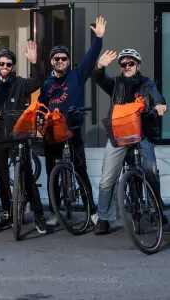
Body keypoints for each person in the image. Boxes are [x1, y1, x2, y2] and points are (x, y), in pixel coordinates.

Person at [39, 16, 106, 227]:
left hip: (73, 129)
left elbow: (90, 58)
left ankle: (91, 211)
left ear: (68, 61)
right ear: (52, 61)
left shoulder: (76, 75)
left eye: (63, 58)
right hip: (52, 131)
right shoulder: (46, 83)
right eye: (56, 58)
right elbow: (41, 105)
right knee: (52, 172)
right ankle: (55, 211)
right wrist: (39, 120)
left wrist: (98, 39)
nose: (60, 61)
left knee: (80, 170)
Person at [94, 49, 168, 234]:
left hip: (141, 133)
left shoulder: (146, 83)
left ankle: (156, 210)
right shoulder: (116, 83)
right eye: (124, 64)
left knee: (150, 170)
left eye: (131, 63)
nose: (127, 67)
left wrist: (159, 104)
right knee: (107, 179)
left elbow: (156, 95)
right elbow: (101, 79)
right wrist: (100, 66)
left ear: (138, 65)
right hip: (119, 134)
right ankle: (104, 218)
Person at [0, 43, 49, 233]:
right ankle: (7, 214)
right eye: (2, 64)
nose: (5, 67)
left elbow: (38, 81)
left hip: (19, 136)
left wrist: (35, 62)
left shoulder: (21, 83)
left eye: (8, 64)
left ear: (12, 66)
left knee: (26, 175)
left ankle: (39, 215)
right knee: (2, 178)